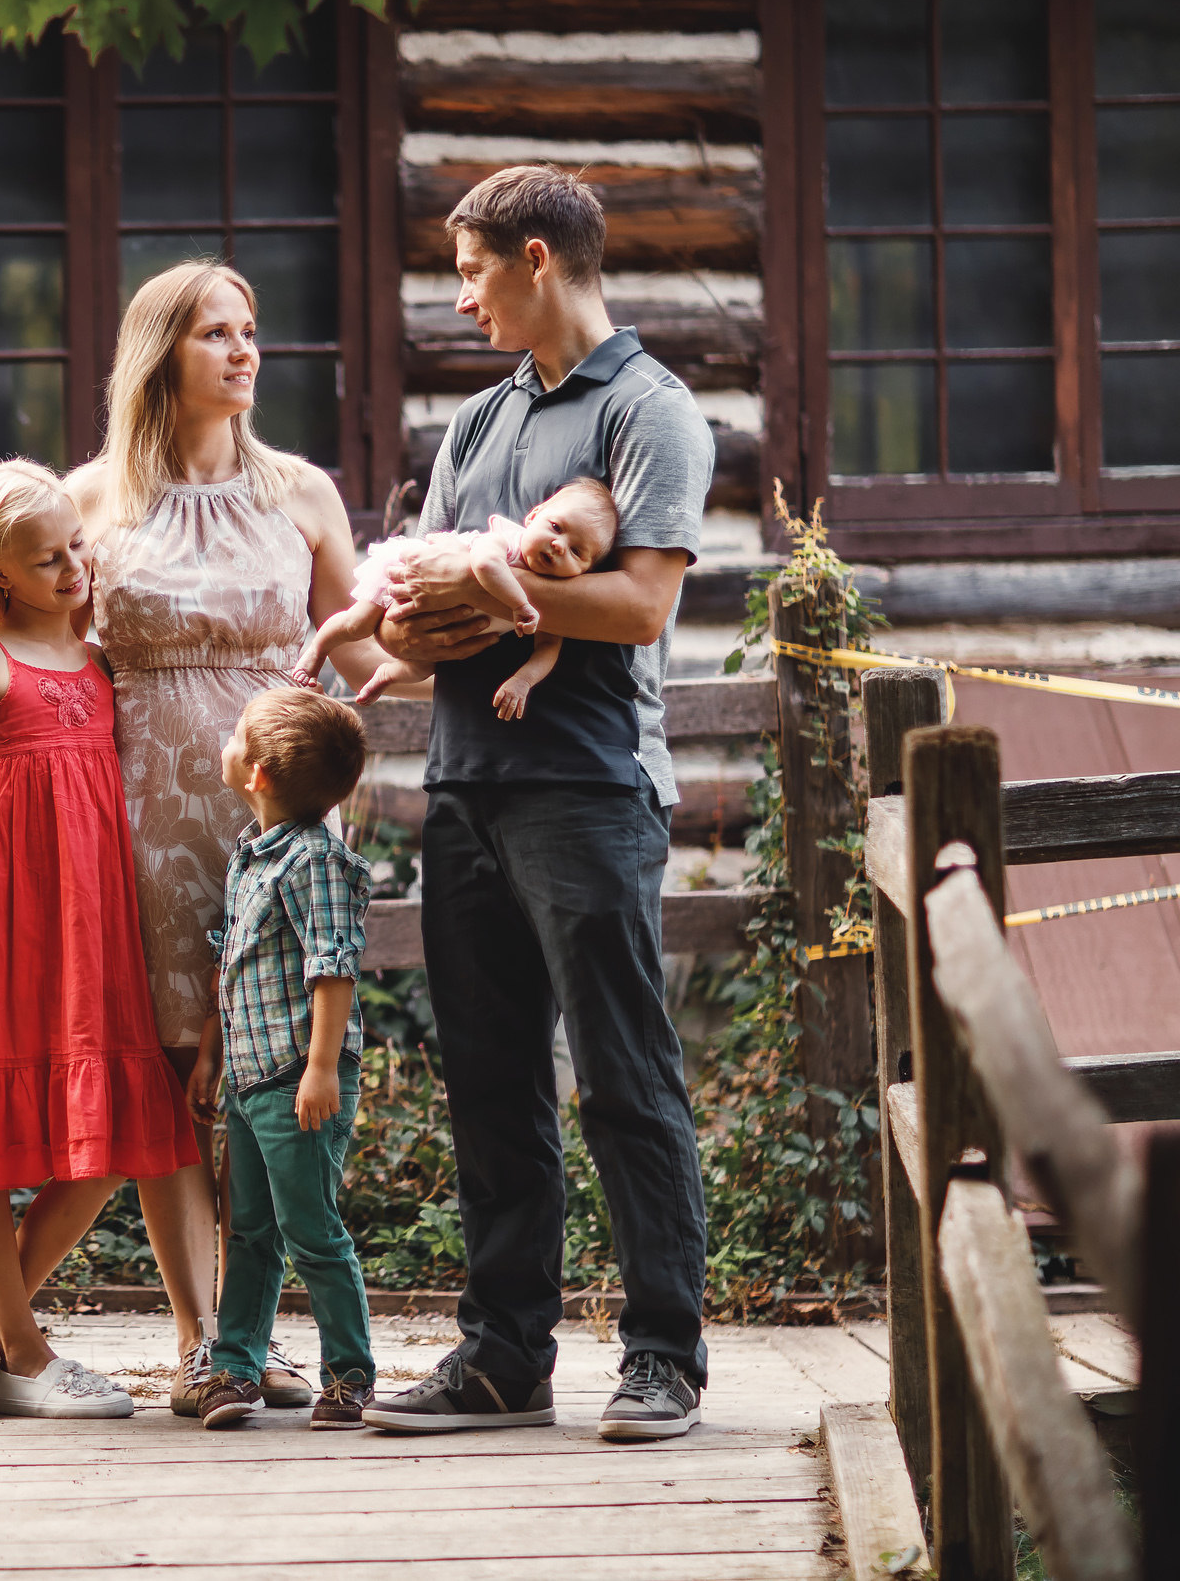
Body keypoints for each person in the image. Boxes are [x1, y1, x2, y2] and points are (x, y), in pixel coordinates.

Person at [0, 262, 389, 1416]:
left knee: (270, 1070)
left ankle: (249, 1334)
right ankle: (203, 1349)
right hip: (129, 822)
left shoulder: (306, 495)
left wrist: (469, 626)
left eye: (251, 330)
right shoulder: (95, 500)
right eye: (213, 334)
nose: (243, 352)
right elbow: (17, 622)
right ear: (159, 354)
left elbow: (369, 664)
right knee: (170, 1082)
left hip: (271, 815)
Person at [357, 165, 715, 1443]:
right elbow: (420, 603)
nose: (461, 300)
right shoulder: (478, 424)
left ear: (539, 258)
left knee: (624, 1075)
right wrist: (430, 608)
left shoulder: (650, 414)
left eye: (471, 271)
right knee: (489, 1081)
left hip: (589, 790)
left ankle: (663, 1355)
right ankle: (504, 1357)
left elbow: (639, 608)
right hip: (464, 785)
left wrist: (490, 596)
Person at [0, 458, 202, 1419]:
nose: (74, 567)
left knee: (122, 1133)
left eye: (77, 545)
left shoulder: (101, 655)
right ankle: (27, 1353)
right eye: (47, 560)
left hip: (94, 922)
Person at [186, 688, 377, 1433]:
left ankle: (350, 1373)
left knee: (311, 1228)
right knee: (249, 1230)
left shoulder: (316, 861)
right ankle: (236, 1366)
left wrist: (322, 1067)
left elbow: (334, 968)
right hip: (250, 1073)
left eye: (237, 735)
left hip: (300, 1078)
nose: (226, 741)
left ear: (257, 772)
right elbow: (228, 965)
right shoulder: (250, 853)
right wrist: (212, 1056)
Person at [290, 476, 619, 715]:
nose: (558, 545)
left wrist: (522, 682)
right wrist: (520, 604)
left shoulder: (559, 598)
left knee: (425, 665)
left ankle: (386, 675)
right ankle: (316, 651)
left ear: (586, 571)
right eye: (556, 527)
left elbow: (548, 650)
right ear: (533, 517)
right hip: (407, 573)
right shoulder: (508, 542)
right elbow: (483, 564)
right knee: (357, 623)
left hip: (441, 626)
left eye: (577, 551)